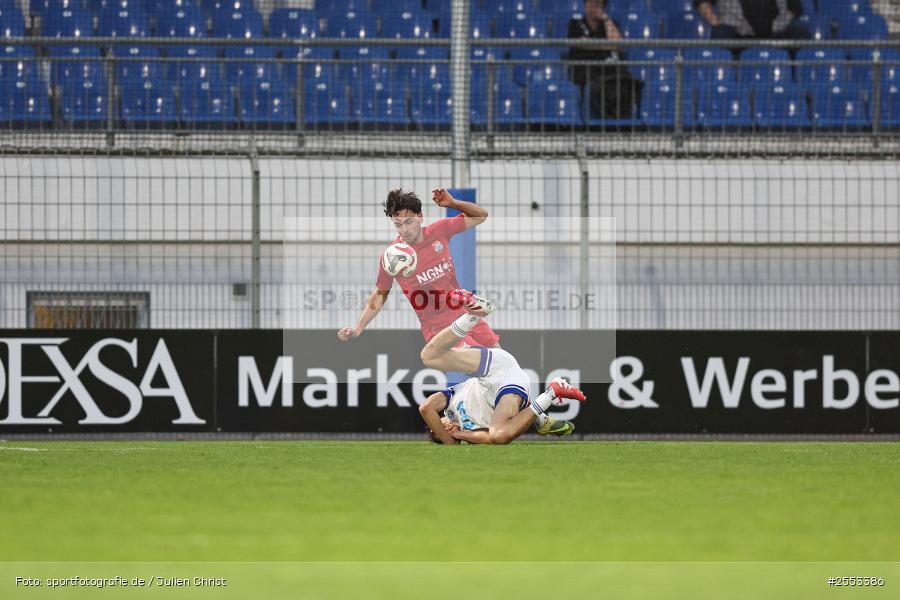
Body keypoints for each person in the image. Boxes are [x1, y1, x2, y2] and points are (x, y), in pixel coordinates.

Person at [338, 188, 573, 437]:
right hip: (441, 329)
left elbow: (481, 215)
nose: (403, 229)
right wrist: (358, 327)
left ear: (420, 216)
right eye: (397, 224)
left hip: (467, 313)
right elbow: (379, 294)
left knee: (506, 368)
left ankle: (528, 419)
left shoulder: (439, 231)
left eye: (408, 221)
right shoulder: (393, 257)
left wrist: (453, 202)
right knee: (486, 369)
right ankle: (498, 425)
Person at [417, 290, 587, 445]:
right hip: (507, 387)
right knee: (499, 435)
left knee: (429, 356)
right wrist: (459, 435)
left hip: (492, 370)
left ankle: (474, 315)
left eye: (435, 428)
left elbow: (426, 408)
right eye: (438, 434)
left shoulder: (449, 403)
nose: (439, 429)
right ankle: (551, 394)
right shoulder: (470, 433)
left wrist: (449, 442)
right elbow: (490, 438)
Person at [568, 0, 642, 121]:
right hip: (585, 71)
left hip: (609, 71)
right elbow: (582, 43)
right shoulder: (575, 24)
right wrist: (607, 45)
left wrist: (607, 19)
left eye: (598, 4)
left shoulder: (610, 24)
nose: (594, 7)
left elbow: (617, 44)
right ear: (585, 6)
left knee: (627, 81)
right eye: (590, 3)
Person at [694, 0, 811, 43]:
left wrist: (784, 21)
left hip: (776, 35)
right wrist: (711, 17)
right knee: (720, 34)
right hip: (738, 34)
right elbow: (700, 1)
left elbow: (796, 8)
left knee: (802, 34)